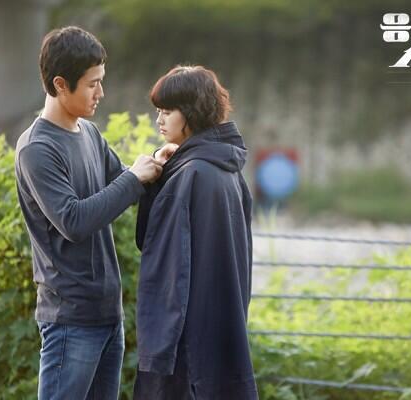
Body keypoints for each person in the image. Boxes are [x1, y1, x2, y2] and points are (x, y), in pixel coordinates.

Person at [14, 26, 168, 399]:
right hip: (70, 320)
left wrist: (162, 164)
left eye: (101, 81)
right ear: (60, 84)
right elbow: (74, 221)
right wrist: (134, 177)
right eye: (92, 84)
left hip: (108, 314)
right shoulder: (37, 149)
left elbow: (127, 186)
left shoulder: (89, 133)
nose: (101, 93)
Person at [134, 65, 258, 400]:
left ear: (191, 112)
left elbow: (160, 257)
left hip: (184, 338)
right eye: (158, 111)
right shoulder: (228, 171)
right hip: (221, 324)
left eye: (167, 111)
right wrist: (164, 171)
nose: (159, 120)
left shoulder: (190, 176)